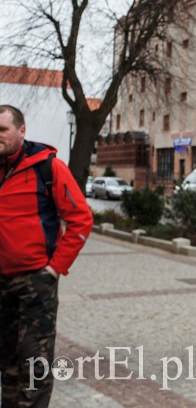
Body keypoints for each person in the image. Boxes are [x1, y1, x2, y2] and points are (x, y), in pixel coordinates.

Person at [0, 105, 93, 407]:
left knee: (34, 364)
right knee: (7, 361)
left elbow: (81, 220)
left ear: (21, 131)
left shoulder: (48, 167)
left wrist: (55, 268)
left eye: (3, 130)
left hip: (35, 283)